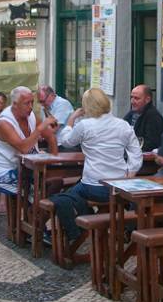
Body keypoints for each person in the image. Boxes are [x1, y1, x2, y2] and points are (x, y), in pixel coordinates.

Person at [50, 88, 142, 244]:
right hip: (119, 186)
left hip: (93, 186)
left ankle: (80, 229)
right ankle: (117, 228)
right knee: (73, 192)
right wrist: (130, 174)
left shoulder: (85, 125)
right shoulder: (123, 125)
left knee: (62, 196)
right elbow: (136, 153)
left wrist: (71, 119)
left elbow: (66, 141)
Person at [0, 86, 59, 200]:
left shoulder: (30, 115)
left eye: (32, 102)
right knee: (37, 188)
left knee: (56, 181)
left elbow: (51, 137)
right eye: (27, 103)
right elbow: (24, 148)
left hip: (29, 169)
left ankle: (36, 213)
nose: (31, 107)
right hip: (6, 172)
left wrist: (54, 162)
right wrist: (40, 128)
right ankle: (32, 212)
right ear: (15, 104)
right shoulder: (3, 123)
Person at [122, 84, 163, 152]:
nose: (132, 101)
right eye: (131, 97)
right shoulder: (132, 113)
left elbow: (151, 144)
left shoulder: (153, 117)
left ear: (147, 99)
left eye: (136, 98)